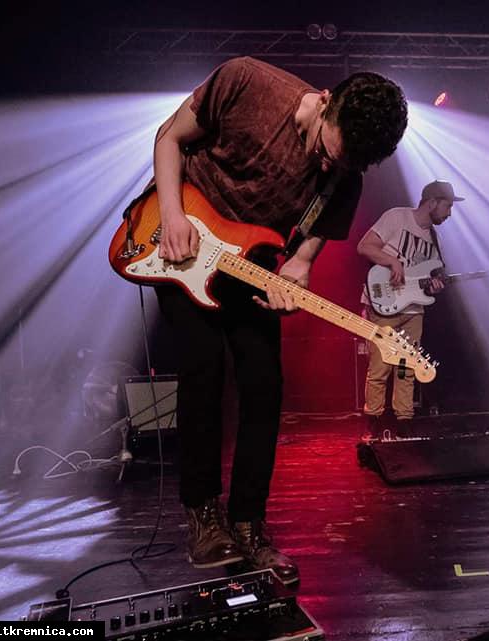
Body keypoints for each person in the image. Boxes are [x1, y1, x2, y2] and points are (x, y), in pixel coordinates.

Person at [151, 56, 407, 581]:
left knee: (264, 387)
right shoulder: (245, 80)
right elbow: (168, 138)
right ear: (326, 100)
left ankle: (248, 524)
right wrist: (173, 215)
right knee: (203, 371)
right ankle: (203, 516)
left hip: (250, 266)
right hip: (183, 245)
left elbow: (302, 257)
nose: (329, 167)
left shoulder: (345, 179)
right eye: (327, 151)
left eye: (344, 165)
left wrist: (298, 273)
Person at [357, 180, 463, 438]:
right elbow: (364, 246)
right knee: (380, 367)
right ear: (432, 202)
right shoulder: (397, 217)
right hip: (384, 304)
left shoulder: (434, 239)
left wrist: (435, 286)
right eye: (448, 206)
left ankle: (404, 424)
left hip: (414, 310)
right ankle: (373, 424)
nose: (449, 213)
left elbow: (430, 280)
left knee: (406, 369)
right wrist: (392, 261)